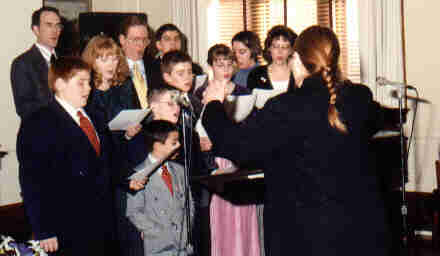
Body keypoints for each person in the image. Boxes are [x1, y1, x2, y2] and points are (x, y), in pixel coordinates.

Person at [202, 25, 390, 256]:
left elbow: (234, 145)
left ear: (298, 60)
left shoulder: (286, 107)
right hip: (361, 229)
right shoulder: (360, 98)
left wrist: (213, 104)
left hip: (305, 233)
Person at [16, 57, 115, 256]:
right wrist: (44, 229)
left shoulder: (94, 116)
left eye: (89, 82)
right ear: (59, 84)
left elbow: (106, 163)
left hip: (102, 223)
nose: (88, 89)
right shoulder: (39, 121)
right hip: (66, 228)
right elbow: (32, 180)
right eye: (80, 83)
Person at [81, 34, 144, 256]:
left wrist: (133, 131)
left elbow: (136, 118)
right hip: (104, 171)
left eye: (114, 58)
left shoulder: (125, 87)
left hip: (129, 163)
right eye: (103, 58)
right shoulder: (87, 95)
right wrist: (120, 135)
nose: (110, 63)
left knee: (132, 233)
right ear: (92, 61)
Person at [196, 44, 259, 256]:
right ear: (210, 65)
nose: (224, 68)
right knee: (219, 218)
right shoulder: (201, 94)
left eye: (228, 63)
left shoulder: (245, 92)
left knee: (243, 216)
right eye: (218, 64)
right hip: (214, 162)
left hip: (239, 160)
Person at [126, 120, 194, 256]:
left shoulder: (180, 171)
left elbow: (189, 204)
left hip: (183, 247)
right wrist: (159, 233)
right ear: (157, 146)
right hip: (158, 247)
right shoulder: (139, 174)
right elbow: (134, 212)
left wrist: (186, 230)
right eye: (174, 142)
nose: (179, 145)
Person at [11, 6, 63, 120]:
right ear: (36, 30)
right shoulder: (22, 63)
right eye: (49, 25)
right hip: (40, 133)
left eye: (58, 25)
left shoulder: (64, 60)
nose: (55, 31)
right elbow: (24, 109)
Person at [247, 25, 297, 109]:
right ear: (269, 48)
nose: (280, 52)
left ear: (291, 50)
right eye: (276, 46)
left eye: (284, 47)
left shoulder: (297, 74)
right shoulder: (256, 74)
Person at [147, 24, 203, 90]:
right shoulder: (150, 69)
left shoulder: (195, 69)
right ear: (159, 45)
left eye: (176, 39)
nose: (173, 43)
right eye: (167, 39)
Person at [119, 15, 151, 110]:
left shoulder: (156, 67)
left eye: (145, 40)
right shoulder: (115, 69)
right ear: (122, 39)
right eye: (136, 40)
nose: (141, 45)